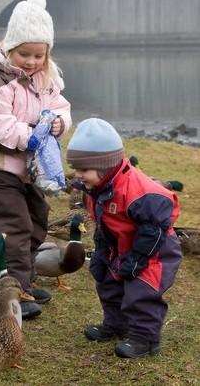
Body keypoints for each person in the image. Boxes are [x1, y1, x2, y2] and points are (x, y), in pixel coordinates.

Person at [0, 0, 72, 319]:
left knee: (38, 220)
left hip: (27, 170)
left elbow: (61, 108)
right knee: (14, 228)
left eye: (39, 55)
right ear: (10, 47)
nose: (31, 61)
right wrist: (34, 136)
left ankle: (22, 283)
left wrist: (57, 124)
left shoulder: (45, 78)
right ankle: (12, 298)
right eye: (24, 53)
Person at [66, 118, 182, 359]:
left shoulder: (138, 190)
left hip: (154, 251)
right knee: (107, 282)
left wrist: (138, 259)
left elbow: (155, 227)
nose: (77, 175)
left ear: (105, 165)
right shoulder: (98, 188)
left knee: (141, 291)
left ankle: (145, 338)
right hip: (119, 246)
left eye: (83, 170)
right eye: (75, 168)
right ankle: (117, 324)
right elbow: (103, 221)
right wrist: (101, 250)